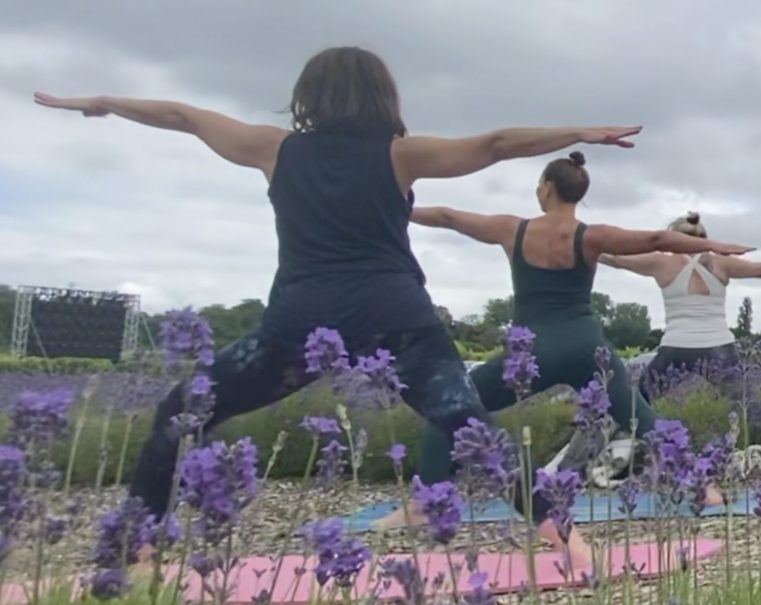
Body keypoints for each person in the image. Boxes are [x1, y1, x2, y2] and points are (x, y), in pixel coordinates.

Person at [34, 46, 644, 563]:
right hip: (396, 318)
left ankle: (138, 539)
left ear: (309, 97)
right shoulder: (398, 156)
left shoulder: (276, 149)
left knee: (182, 406)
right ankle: (558, 532)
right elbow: (495, 143)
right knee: (469, 424)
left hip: (300, 321)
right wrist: (578, 132)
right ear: (382, 98)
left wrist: (107, 102)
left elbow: (182, 114)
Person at [403, 152, 754, 560]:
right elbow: (658, 240)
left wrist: (398, 209)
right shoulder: (591, 235)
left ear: (546, 189)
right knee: (641, 418)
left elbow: (446, 216)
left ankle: (424, 503)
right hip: (589, 348)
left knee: (450, 404)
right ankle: (705, 489)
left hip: (530, 351)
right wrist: (713, 245)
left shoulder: (511, 229)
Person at [601, 211, 761, 400]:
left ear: (674, 239)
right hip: (717, 346)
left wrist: (583, 247)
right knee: (745, 406)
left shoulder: (661, 262)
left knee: (640, 402)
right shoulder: (720, 263)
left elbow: (615, 259)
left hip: (676, 345)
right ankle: (760, 447)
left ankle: (629, 443)